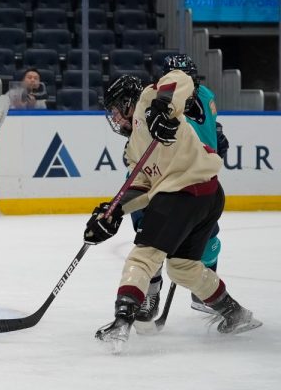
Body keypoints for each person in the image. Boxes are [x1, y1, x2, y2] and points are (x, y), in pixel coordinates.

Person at [88, 72, 261, 350]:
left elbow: (180, 79)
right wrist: (114, 211)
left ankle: (121, 323)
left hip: (186, 194)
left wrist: (161, 108)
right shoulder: (133, 149)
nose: (115, 118)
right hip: (206, 196)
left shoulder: (149, 99)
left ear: (128, 101)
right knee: (183, 268)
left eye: (116, 110)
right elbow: (141, 186)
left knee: (143, 257)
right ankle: (235, 313)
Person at [133, 54, 231, 326]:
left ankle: (204, 292)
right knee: (147, 230)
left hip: (197, 180)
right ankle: (151, 290)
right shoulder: (161, 100)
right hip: (164, 180)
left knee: (207, 237)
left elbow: (212, 130)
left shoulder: (203, 95)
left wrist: (218, 140)